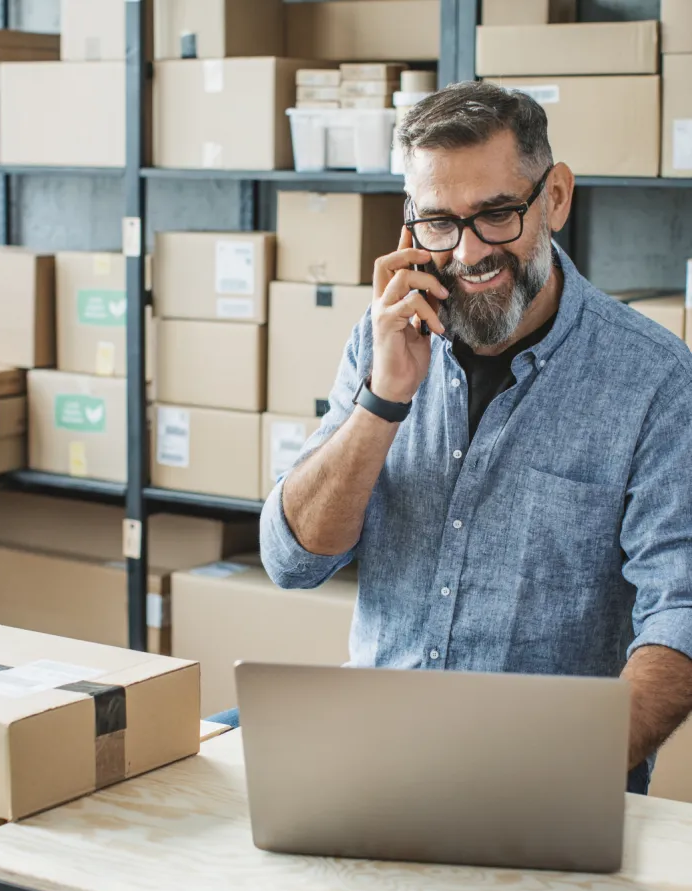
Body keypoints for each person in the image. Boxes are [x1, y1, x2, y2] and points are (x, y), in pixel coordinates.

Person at [241, 81, 692, 794]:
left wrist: (564, 772)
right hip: (376, 767)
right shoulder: (380, 340)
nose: (468, 252)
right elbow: (293, 559)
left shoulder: (657, 382)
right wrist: (384, 400)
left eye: (497, 215)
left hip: (548, 786)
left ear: (556, 199)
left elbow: (683, 611)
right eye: (439, 223)